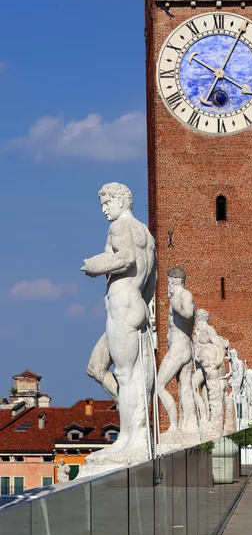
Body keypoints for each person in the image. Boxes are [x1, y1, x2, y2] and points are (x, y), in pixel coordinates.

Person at [81, 182, 156, 457]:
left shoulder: (120, 227)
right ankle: (134, 428)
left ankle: (129, 440)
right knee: (96, 367)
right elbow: (151, 280)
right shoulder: (146, 233)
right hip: (134, 305)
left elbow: (125, 259)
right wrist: (141, 307)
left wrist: (96, 267)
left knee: (126, 377)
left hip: (123, 309)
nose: (104, 210)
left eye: (107, 203)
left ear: (122, 201)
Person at [157, 267, 196, 436]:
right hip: (182, 348)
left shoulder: (184, 295)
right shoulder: (177, 296)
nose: (168, 285)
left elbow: (189, 314)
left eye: (169, 281)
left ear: (173, 280)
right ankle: (188, 425)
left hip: (180, 348)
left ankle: (173, 427)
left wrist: (177, 308)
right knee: (184, 388)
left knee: (158, 386)